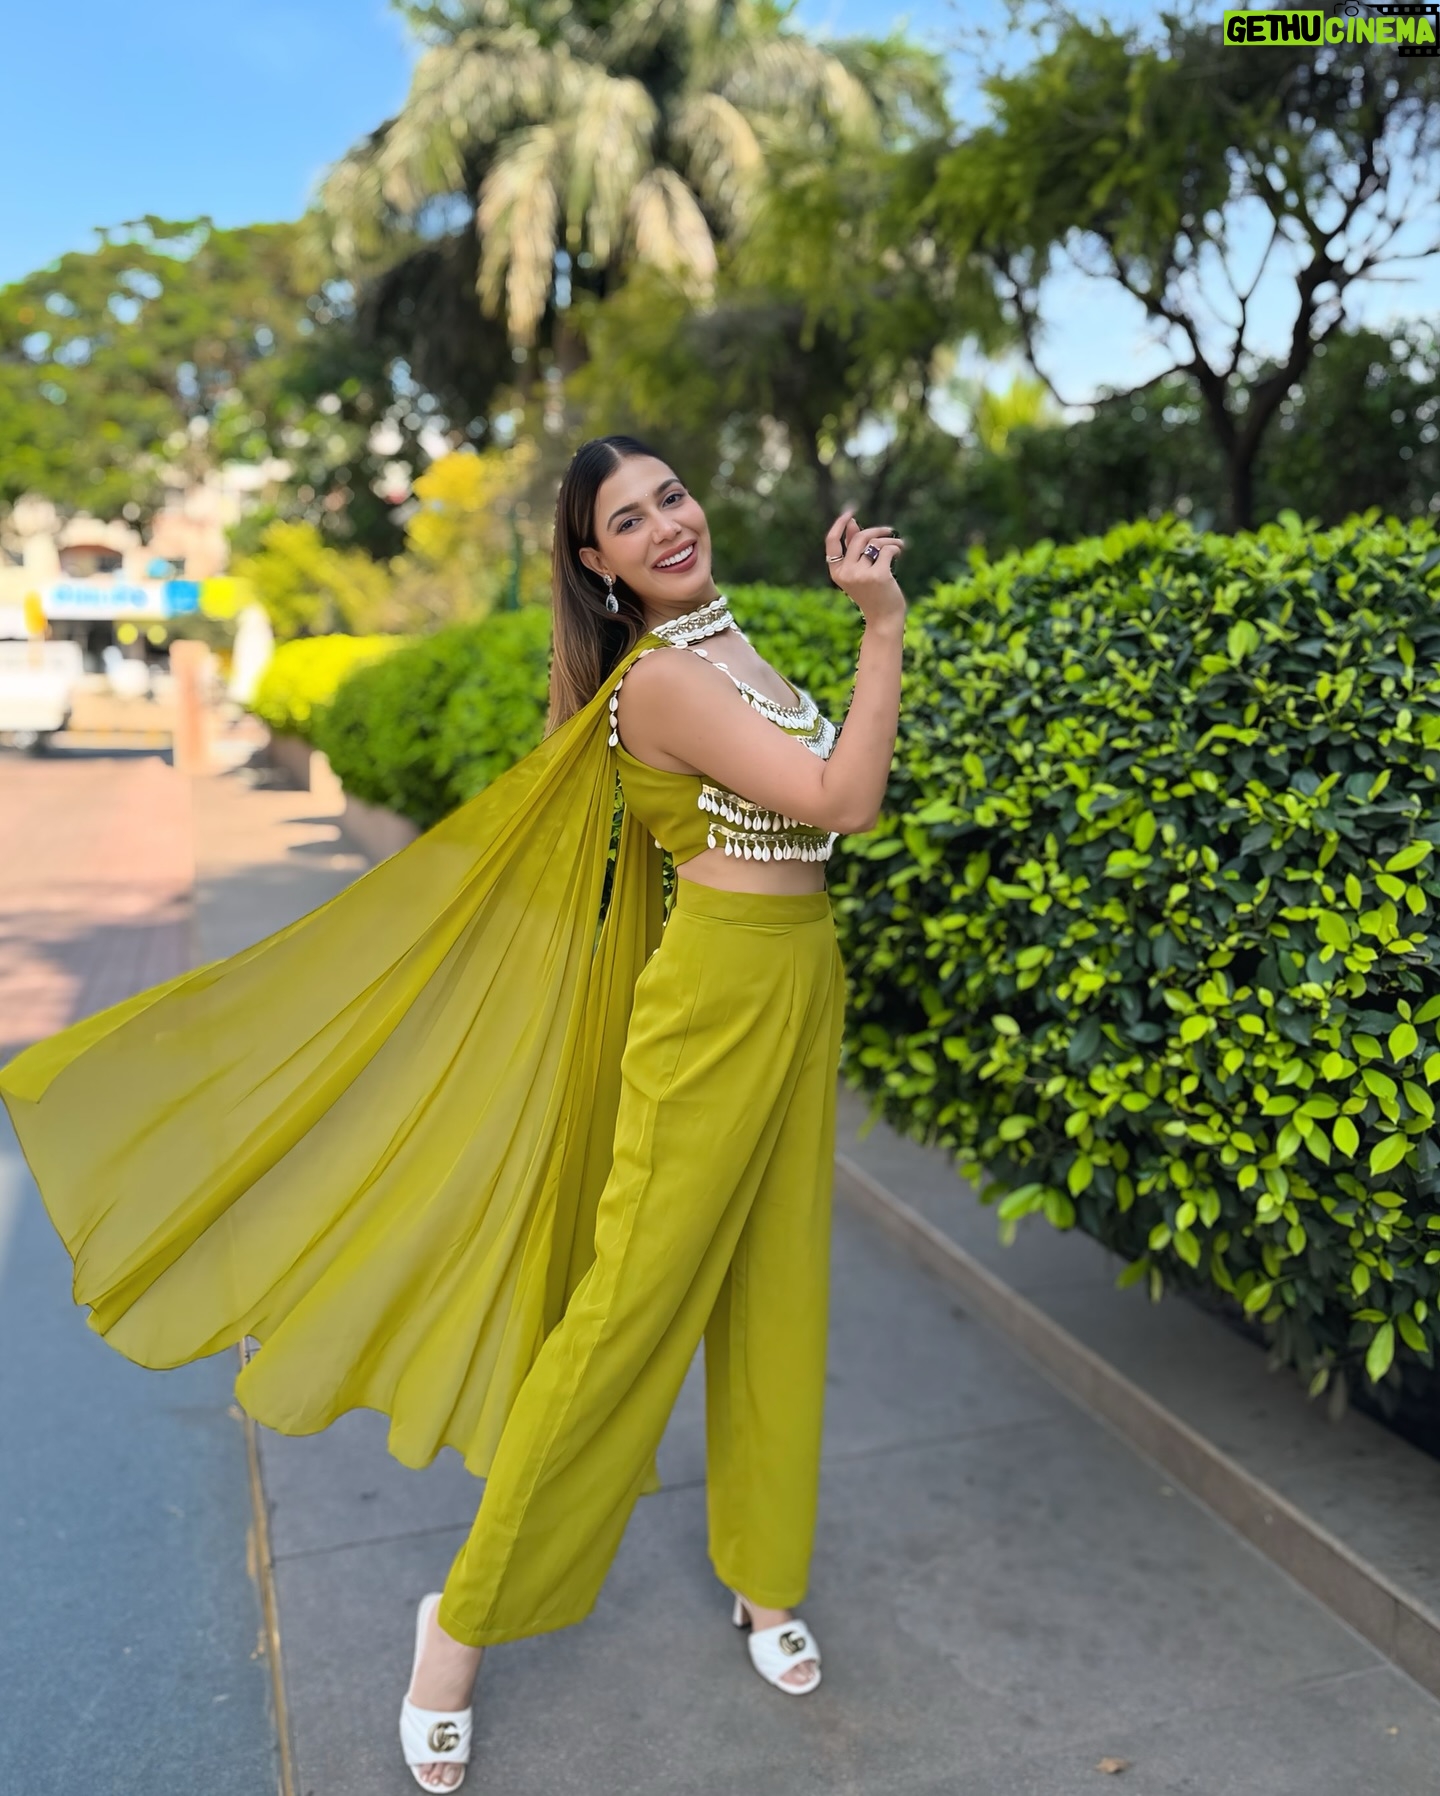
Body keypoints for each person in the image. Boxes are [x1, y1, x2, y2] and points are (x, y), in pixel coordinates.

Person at [0, 435, 905, 1792]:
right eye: (628, 520)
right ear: (595, 562)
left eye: (670, 496)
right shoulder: (660, 681)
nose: (666, 524)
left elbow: (807, 830)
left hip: (799, 978)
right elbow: (845, 800)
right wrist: (883, 628)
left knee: (777, 1286)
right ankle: (458, 1632)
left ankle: (763, 1579)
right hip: (715, 1001)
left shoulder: (735, 649)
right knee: (622, 1320)